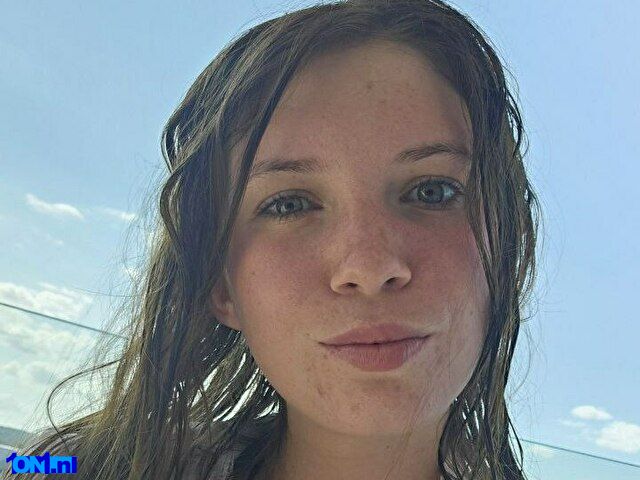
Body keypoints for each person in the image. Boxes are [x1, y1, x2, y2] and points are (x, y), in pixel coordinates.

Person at [6, 0, 541, 479]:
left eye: (432, 191)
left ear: (507, 247)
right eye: (289, 204)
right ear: (221, 284)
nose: (370, 265)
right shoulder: (68, 466)